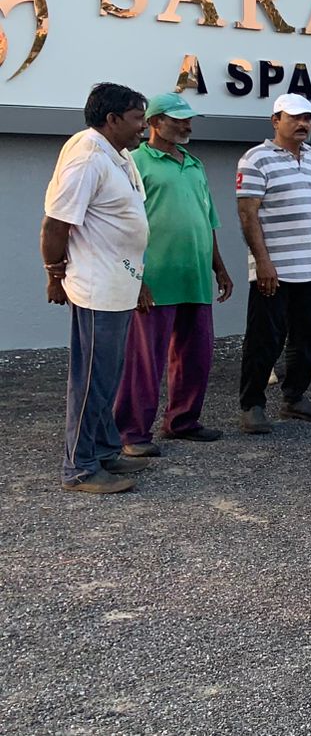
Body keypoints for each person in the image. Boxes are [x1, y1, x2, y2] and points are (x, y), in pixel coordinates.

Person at [42, 83, 153, 494]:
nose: (144, 127)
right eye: (138, 119)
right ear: (112, 119)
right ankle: (80, 468)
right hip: (96, 289)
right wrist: (54, 274)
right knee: (91, 380)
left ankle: (105, 450)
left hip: (119, 284)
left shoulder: (117, 155)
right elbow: (55, 224)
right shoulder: (87, 157)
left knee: (107, 376)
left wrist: (138, 279)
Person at [113, 93, 234, 456]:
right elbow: (123, 224)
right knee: (144, 361)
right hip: (155, 278)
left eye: (188, 120)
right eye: (178, 120)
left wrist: (219, 267)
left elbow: (208, 220)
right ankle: (132, 433)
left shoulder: (195, 165)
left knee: (196, 355)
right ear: (154, 122)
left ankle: (182, 421)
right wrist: (135, 276)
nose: (186, 126)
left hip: (194, 276)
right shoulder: (134, 162)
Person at [237, 94, 311, 434]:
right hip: (274, 270)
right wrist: (262, 262)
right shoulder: (255, 159)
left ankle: (295, 397)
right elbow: (248, 215)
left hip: (310, 266)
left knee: (306, 337)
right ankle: (252, 404)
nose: (302, 124)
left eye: (307, 118)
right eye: (294, 118)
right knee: (264, 339)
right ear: (275, 121)